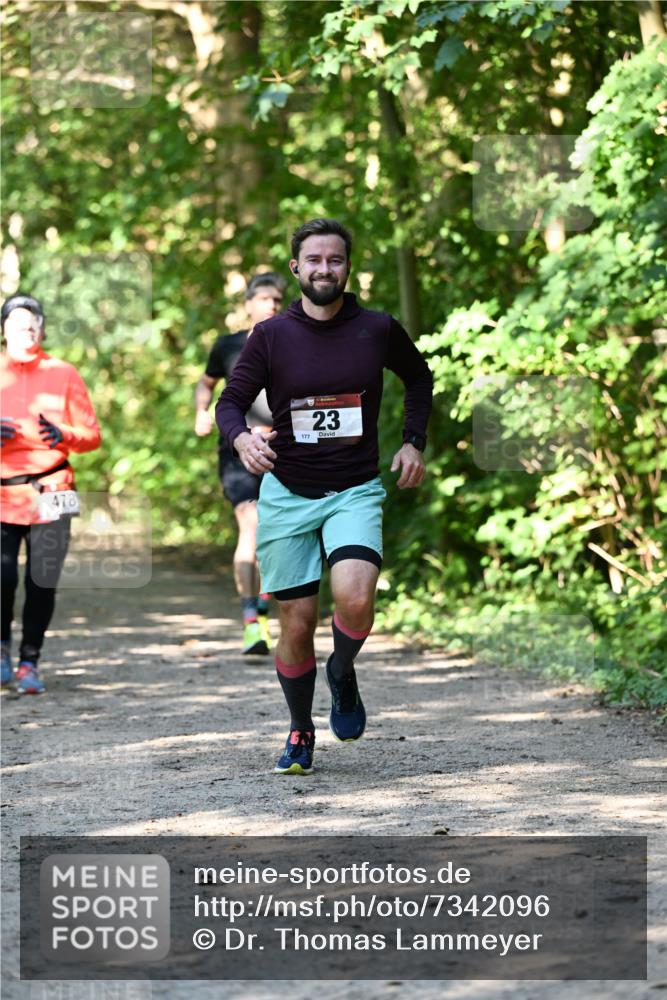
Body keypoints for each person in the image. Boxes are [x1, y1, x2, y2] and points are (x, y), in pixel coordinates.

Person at [216, 219, 432, 775]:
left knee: (356, 598)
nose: (324, 269)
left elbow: (419, 377)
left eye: (334, 260)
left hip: (354, 488)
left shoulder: (378, 328)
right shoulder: (271, 335)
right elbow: (230, 403)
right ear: (296, 269)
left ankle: (341, 671)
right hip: (287, 491)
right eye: (313, 260)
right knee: (294, 623)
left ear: (347, 267)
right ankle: (299, 729)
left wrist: (413, 442)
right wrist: (241, 439)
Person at [0, 293, 101, 694]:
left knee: (42, 580)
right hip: (3, 492)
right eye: (17, 324)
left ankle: (30, 661)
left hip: (54, 487)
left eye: (32, 324)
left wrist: (65, 435)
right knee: (3, 577)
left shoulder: (64, 373)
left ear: (41, 328)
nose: (26, 330)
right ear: (4, 329)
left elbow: (92, 436)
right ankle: (1, 648)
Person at [195, 273, 287, 655]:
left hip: (284, 449)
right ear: (248, 303)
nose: (272, 305)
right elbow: (206, 382)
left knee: (276, 533)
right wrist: (201, 410)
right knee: (252, 523)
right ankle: (252, 619)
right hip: (237, 450)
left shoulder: (293, 341)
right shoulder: (228, 345)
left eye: (278, 300)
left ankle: (265, 610)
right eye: (265, 299)